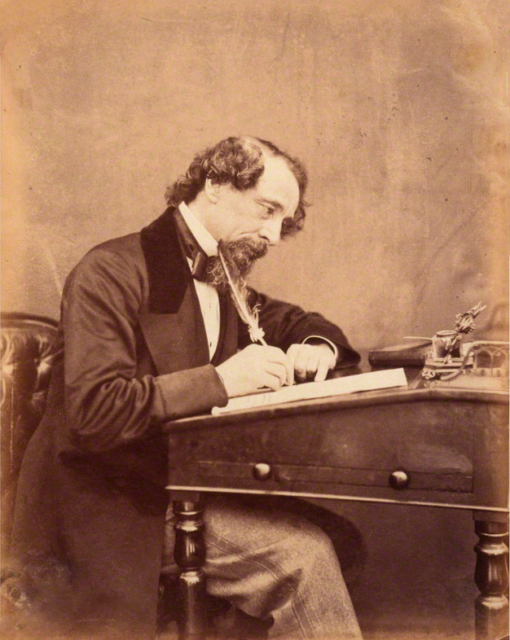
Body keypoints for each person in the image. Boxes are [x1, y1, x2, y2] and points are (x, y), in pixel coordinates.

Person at [11, 136, 362, 640]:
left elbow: (299, 321)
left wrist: (315, 346)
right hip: (107, 501)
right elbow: (94, 411)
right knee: (305, 557)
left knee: (340, 538)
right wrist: (223, 380)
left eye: (283, 222)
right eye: (267, 210)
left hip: (181, 486)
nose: (273, 235)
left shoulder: (223, 273)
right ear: (215, 185)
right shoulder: (108, 271)